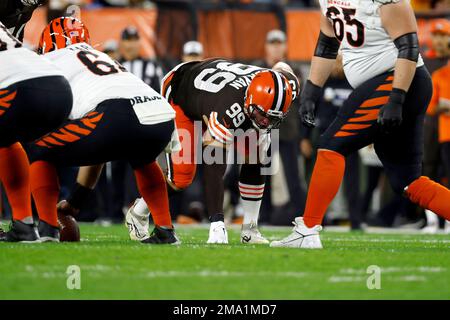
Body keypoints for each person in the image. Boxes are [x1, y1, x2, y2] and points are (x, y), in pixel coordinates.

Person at [59, 58, 299, 244]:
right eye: (261, 115)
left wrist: (264, 114)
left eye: (272, 117)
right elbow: (215, 166)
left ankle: (250, 229)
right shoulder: (229, 106)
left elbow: (282, 67)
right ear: (249, 101)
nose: (266, 121)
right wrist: (217, 224)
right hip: (181, 91)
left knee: (257, 151)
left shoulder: (284, 88)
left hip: (212, 90)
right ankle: (139, 211)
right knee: (183, 176)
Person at [271, 0, 450, 249]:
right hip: (391, 84)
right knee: (407, 180)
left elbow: (409, 47)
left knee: (331, 144)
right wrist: (311, 92)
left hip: (397, 80)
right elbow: (327, 44)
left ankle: (308, 230)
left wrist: (397, 98)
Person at [28, 16, 180, 244]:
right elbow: (98, 150)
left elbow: (96, 137)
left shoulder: (51, 60)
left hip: (115, 113)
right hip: (159, 114)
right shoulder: (100, 57)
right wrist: (76, 202)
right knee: (143, 157)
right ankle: (165, 230)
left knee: (37, 144)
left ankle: (47, 228)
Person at [0, 21, 73, 242]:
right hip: (58, 87)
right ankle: (25, 224)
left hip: (14, 86)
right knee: (6, 140)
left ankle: (28, 223)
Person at [254, 29, 307, 225]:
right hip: (263, 130)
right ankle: (263, 216)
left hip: (287, 130)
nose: (276, 47)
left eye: (279, 43)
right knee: (262, 174)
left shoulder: (295, 70)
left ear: (284, 46)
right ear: (266, 47)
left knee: (293, 176)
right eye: (272, 43)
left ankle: (302, 217)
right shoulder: (258, 70)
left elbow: (301, 103)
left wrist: (304, 136)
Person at [424, 24, 450, 234]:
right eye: (437, 35)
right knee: (428, 168)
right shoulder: (427, 62)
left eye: (444, 36)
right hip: (431, 124)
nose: (440, 40)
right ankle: (431, 220)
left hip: (442, 126)